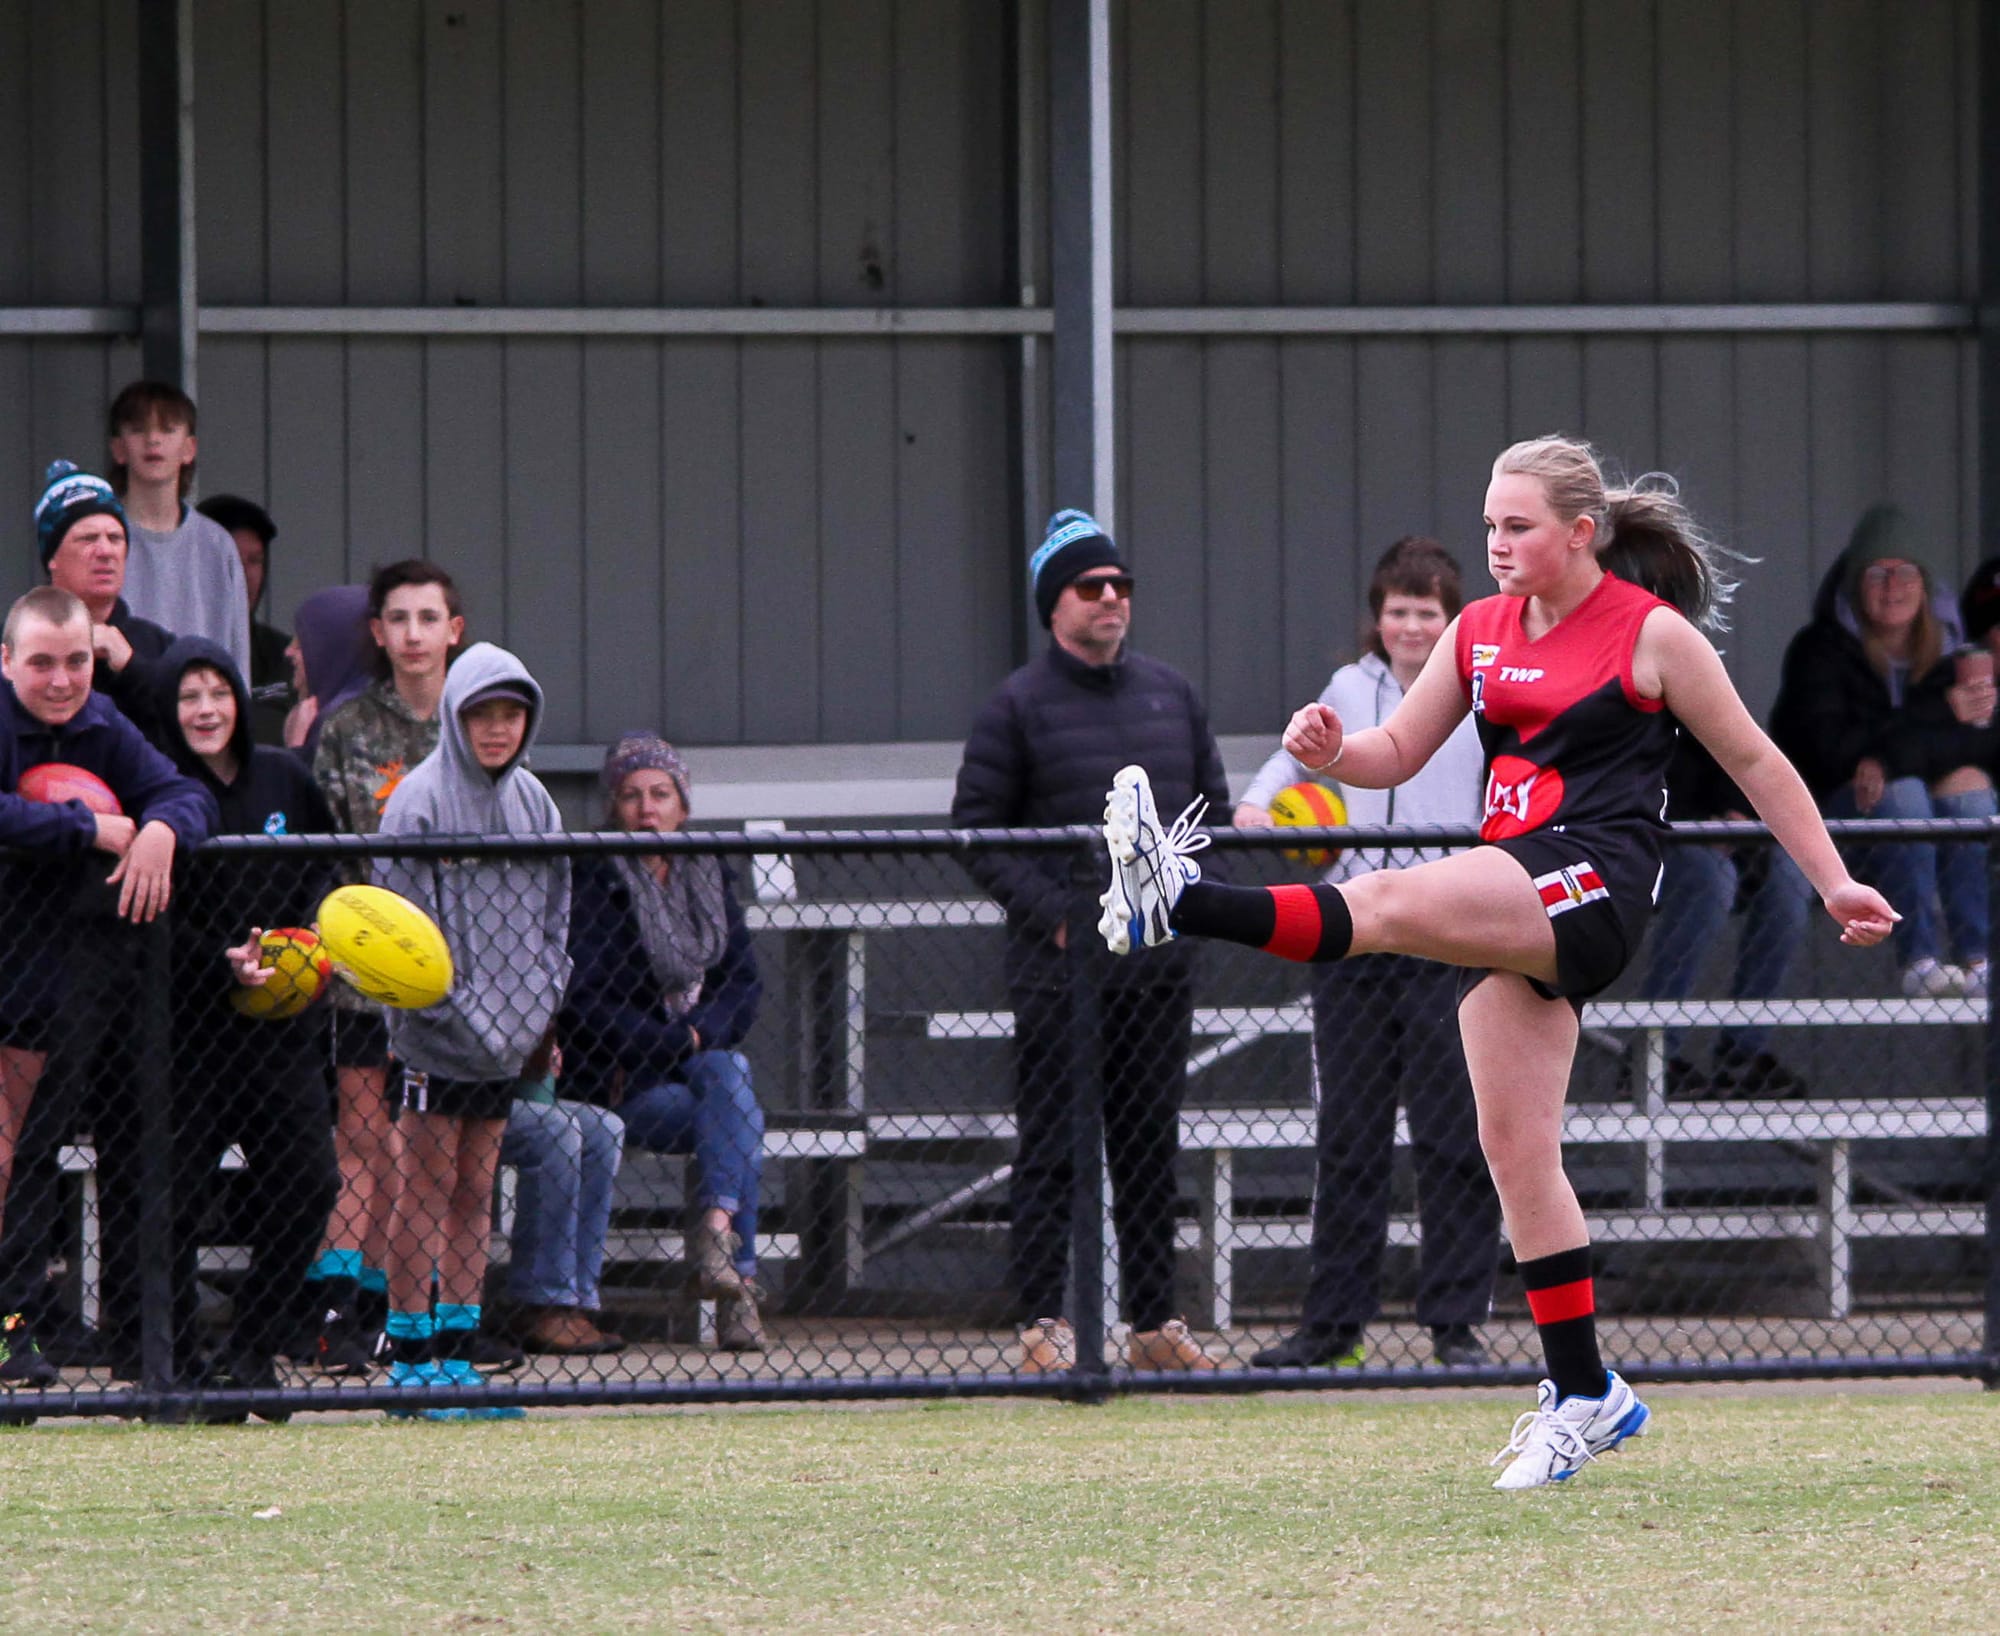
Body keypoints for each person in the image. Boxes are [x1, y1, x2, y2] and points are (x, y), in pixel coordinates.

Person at [1094, 437, 1896, 1488]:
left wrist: (1832, 879)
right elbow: (1392, 756)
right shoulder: (1476, 630)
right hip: (1516, 874)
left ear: (1578, 533)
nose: (1496, 543)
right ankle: (1584, 1393)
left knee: (1379, 902)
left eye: (1515, 526)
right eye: (1487, 525)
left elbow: (1754, 758)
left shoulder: (1649, 635)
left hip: (1593, 883)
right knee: (1516, 1153)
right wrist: (1333, 750)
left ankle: (1176, 898)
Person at [952, 509, 1232, 1375]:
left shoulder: (1171, 694)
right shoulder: (1018, 705)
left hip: (1159, 967)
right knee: (1055, 1148)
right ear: (1054, 605)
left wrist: (1180, 900)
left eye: (1121, 586)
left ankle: (1154, 1322)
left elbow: (1209, 814)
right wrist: (1059, 914)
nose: (1111, 598)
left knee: (1151, 1145)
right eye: (1091, 586)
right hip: (1061, 973)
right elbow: (975, 828)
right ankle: (1044, 1325)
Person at [1234, 538, 1499, 1370]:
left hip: (1444, 930)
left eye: (1427, 612)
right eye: (1397, 611)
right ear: (1376, 619)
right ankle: (1332, 1327)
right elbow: (1293, 752)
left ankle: (1456, 1325)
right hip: (1351, 931)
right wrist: (1256, 804)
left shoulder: (1476, 690)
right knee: (1348, 1136)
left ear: (1450, 617)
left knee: (1454, 1134)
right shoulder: (1349, 688)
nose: (1412, 626)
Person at [0, 587, 216, 1386]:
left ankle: (14, 1327)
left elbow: (184, 792)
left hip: (64, 991)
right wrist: (83, 828)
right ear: (6, 661)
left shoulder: (102, 724)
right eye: (43, 663)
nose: (61, 680)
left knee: (28, 1159)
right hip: (12, 975)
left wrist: (160, 830)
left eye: (78, 662)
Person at [375, 642, 570, 1416]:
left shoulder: (538, 805)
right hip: (435, 1036)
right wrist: (444, 1015)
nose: (498, 728)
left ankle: (459, 1358)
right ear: (456, 716)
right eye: (482, 713)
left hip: (509, 1039)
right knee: (422, 1186)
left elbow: (556, 925)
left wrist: (535, 1011)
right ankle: (409, 1360)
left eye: (511, 714)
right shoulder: (415, 801)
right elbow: (393, 935)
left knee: (476, 1188)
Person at [153, 639, 340, 1406]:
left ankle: (253, 1349)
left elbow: (331, 866)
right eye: (188, 696)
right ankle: (173, 1367)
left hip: (282, 1032)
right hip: (188, 1032)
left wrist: (298, 944)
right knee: (173, 1200)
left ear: (238, 700)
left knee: (308, 1183)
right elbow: (146, 912)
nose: (204, 709)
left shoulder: (285, 776)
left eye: (217, 693)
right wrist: (218, 961)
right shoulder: (160, 788)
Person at [303, 561, 464, 1374]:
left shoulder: (478, 727)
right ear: (377, 632)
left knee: (432, 1154)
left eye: (427, 618)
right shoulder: (345, 730)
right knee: (366, 1142)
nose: (411, 634)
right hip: (368, 973)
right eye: (396, 618)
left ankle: (422, 1319)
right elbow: (326, 851)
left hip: (459, 983)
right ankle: (338, 1312)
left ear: (453, 630)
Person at [561, 735, 768, 1353]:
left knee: (728, 1074)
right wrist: (676, 1041)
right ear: (613, 807)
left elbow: (744, 981)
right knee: (737, 1108)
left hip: (696, 1070)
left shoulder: (706, 870)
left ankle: (719, 1245)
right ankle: (737, 1278)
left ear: (682, 804)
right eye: (630, 796)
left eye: (659, 794)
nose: (646, 809)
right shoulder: (597, 877)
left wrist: (699, 1035)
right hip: (628, 1084)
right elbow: (586, 1000)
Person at [1770, 503, 1997, 999]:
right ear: (1855, 583)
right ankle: (1919, 959)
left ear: (1925, 583)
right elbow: (1828, 753)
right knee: (1907, 794)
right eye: (1878, 573)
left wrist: (1891, 756)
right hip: (1831, 818)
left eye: (1905, 572)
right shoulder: (1821, 650)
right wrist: (1925, 731)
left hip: (1910, 821)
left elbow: (1978, 745)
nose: (1893, 586)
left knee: (1971, 791)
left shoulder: (1950, 655)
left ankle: (1979, 960)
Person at [1636, 734, 1814, 1099]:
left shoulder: (1692, 685)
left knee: (1790, 874)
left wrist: (1735, 810)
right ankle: (1653, 1056)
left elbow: (1737, 752)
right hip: (1640, 837)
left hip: (1710, 827)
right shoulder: (1615, 690)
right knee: (1711, 876)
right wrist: (1695, 823)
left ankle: (1741, 1052)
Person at [104, 380, 251, 679]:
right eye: (138, 429)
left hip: (200, 712)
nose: (153, 440)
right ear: (118, 448)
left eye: (168, 429)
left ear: (189, 448)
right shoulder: (98, 537)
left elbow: (236, 650)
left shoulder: (217, 544)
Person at [35, 461, 174, 740]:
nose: (105, 551)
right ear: (52, 558)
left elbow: (188, 747)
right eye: (88, 539)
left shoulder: (158, 645)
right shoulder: (14, 644)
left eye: (115, 538)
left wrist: (131, 669)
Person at [499, 1081, 626, 1356]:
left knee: (605, 1129)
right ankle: (542, 1302)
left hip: (510, 1090)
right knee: (557, 1129)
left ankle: (574, 1303)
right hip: (460, 1094)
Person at [196, 495, 293, 745]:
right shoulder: (173, 645)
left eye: (255, 561)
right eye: (234, 559)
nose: (245, 574)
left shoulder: (284, 654)